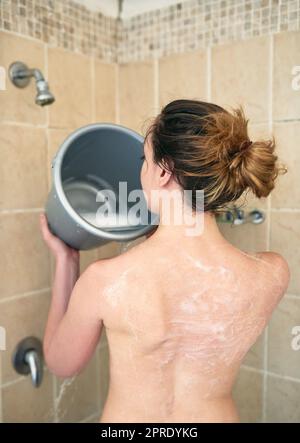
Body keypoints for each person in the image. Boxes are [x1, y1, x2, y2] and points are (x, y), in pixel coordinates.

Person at [40, 99, 290, 423]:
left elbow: (61, 363)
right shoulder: (271, 273)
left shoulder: (107, 280)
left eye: (145, 159)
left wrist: (66, 260)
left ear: (162, 171)